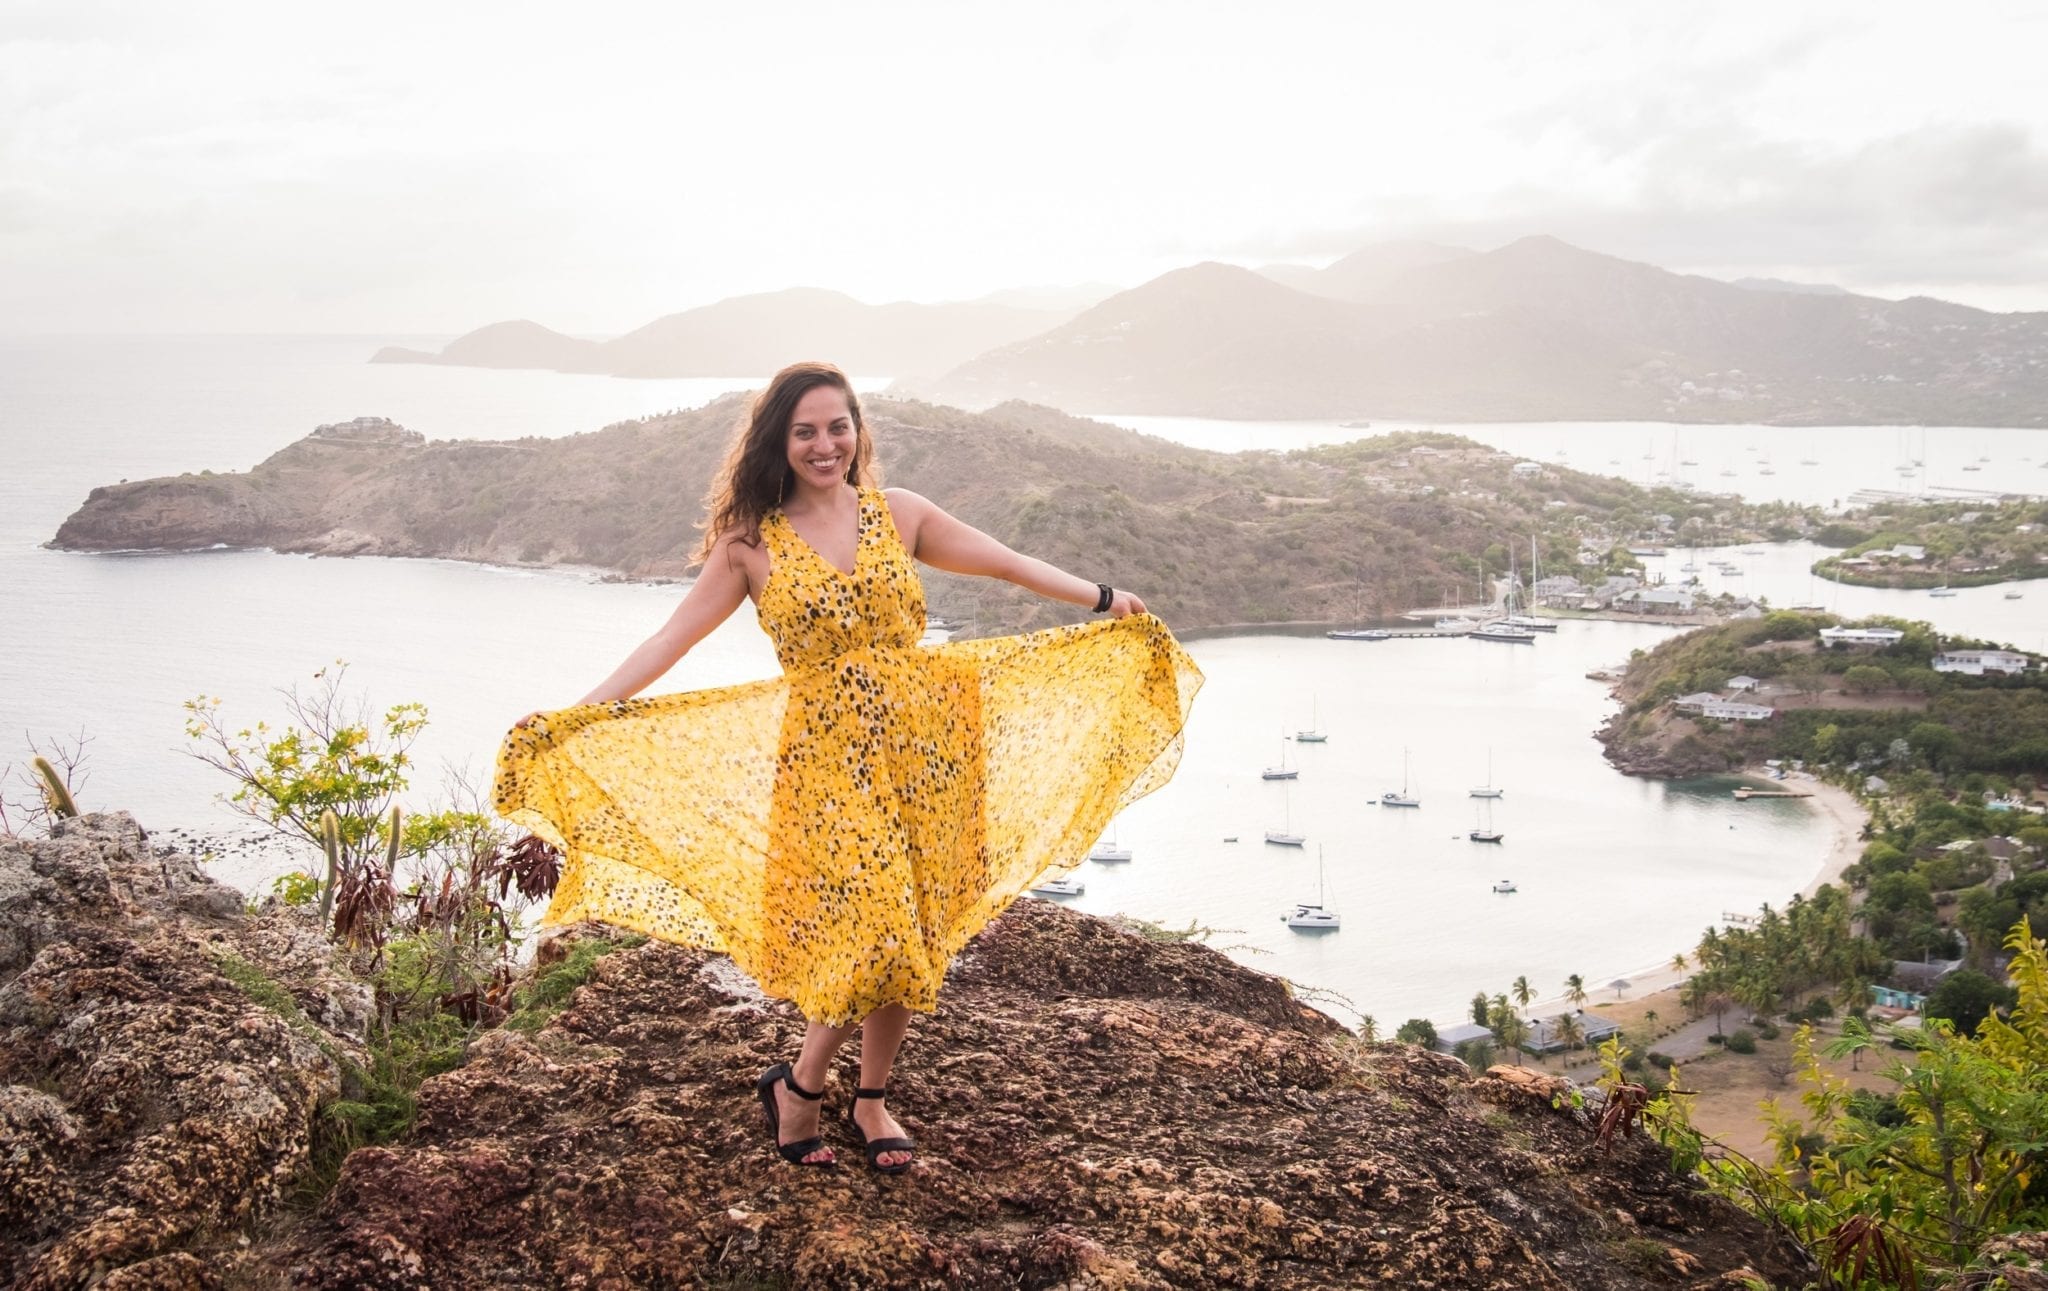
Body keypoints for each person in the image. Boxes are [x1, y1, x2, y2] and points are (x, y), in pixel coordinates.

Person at [494, 361, 1201, 1174]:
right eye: (806, 431)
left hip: (931, 742)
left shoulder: (898, 514)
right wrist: (577, 712)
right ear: (779, 442)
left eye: (839, 426)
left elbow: (1005, 561)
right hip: (830, 765)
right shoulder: (750, 545)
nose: (825, 444)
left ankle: (868, 1097)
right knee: (869, 929)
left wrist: (1104, 597)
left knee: (919, 923)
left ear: (859, 431)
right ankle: (799, 1082)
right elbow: (669, 640)